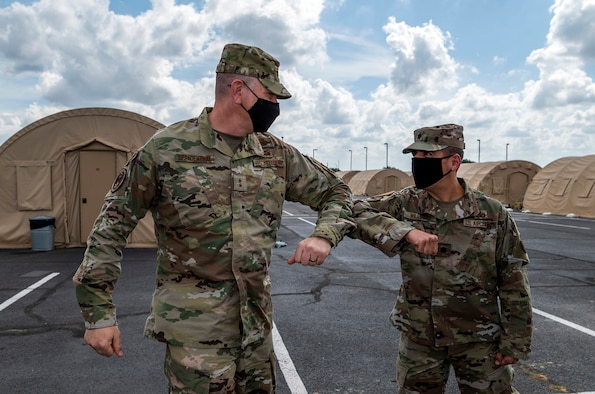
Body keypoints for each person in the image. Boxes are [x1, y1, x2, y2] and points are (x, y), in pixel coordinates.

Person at [72, 43, 355, 393]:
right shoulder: (167, 150)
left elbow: (337, 192)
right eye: (270, 94)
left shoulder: (274, 152)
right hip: (195, 336)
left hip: (256, 333)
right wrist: (98, 313)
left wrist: (324, 234)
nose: (276, 106)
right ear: (238, 90)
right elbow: (111, 226)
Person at [349, 124, 532, 393]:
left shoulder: (491, 213)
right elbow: (351, 210)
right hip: (420, 340)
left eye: (427, 158)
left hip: (479, 339)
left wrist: (515, 341)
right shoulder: (404, 203)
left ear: (454, 162)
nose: (418, 164)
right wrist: (404, 231)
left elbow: (513, 279)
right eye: (415, 158)